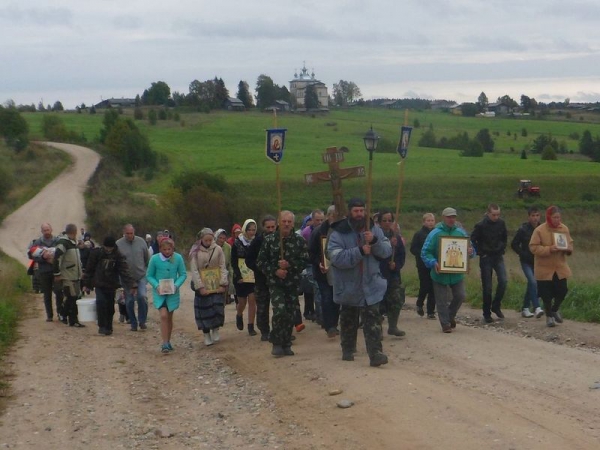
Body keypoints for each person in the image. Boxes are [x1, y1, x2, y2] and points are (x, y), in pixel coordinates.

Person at [327, 198, 392, 367]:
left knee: (373, 320)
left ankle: (375, 353)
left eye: (362, 211)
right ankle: (348, 349)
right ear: (349, 212)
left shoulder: (374, 230)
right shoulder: (338, 233)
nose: (359, 214)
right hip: (349, 285)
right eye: (356, 211)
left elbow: (386, 252)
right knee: (348, 319)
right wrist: (360, 251)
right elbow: (336, 258)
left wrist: (375, 242)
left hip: (371, 284)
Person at [256, 211, 308, 357]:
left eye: (289, 222)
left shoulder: (299, 241)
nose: (286, 224)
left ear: (293, 224)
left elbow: (304, 261)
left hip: (292, 284)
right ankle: (277, 342)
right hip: (275, 283)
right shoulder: (270, 240)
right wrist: (275, 270)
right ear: (279, 222)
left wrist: (290, 264)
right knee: (280, 311)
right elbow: (260, 261)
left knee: (290, 313)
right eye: (284, 221)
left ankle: (286, 343)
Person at [421, 207, 475, 333]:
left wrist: (470, 252)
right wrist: (433, 262)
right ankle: (445, 324)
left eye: (453, 217)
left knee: (460, 295)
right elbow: (425, 252)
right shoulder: (434, 233)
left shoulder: (461, 233)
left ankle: (450, 315)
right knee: (441, 299)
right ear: (443, 218)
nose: (451, 219)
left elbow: (471, 250)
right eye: (449, 217)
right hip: (440, 272)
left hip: (457, 273)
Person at [529, 206, 573, 328]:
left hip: (560, 266)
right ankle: (549, 317)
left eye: (559, 217)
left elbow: (570, 243)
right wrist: (548, 249)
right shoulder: (540, 230)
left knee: (562, 290)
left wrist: (569, 249)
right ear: (549, 217)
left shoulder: (564, 229)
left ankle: (554, 310)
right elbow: (533, 247)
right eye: (554, 217)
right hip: (544, 267)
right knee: (546, 293)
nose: (557, 220)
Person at [83, 236, 135, 335]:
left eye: (110, 248)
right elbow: (89, 269)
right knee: (101, 303)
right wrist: (86, 284)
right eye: (107, 247)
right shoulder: (96, 253)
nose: (108, 250)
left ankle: (109, 326)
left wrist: (131, 284)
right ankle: (102, 326)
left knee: (110, 306)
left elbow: (124, 271)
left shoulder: (118, 255)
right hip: (99, 283)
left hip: (111, 284)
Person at [147, 238, 187, 353]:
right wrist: (156, 286)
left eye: (169, 249)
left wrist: (176, 285)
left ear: (173, 249)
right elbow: (149, 275)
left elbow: (183, 274)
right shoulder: (154, 259)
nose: (167, 252)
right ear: (160, 249)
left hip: (172, 293)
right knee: (163, 316)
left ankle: (168, 340)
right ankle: (164, 343)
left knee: (169, 317)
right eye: (164, 249)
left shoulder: (178, 258)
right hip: (160, 292)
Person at [190, 228, 229, 346]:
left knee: (217, 306)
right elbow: (194, 270)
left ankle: (216, 328)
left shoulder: (218, 249)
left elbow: (223, 266)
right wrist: (200, 287)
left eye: (210, 240)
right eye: (206, 240)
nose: (208, 242)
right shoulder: (195, 251)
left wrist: (223, 283)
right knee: (203, 309)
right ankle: (206, 334)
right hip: (202, 283)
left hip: (215, 283)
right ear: (201, 239)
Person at [471, 203, 508, 323]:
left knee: (503, 280)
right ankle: (486, 313)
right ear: (488, 214)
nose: (496, 217)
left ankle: (496, 305)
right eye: (494, 215)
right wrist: (480, 252)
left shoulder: (501, 224)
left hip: (498, 256)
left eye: (498, 215)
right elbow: (473, 238)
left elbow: (504, 238)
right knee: (487, 286)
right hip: (486, 257)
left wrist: (502, 248)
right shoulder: (481, 225)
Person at [308, 205, 340, 337]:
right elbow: (311, 253)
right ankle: (329, 326)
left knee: (337, 299)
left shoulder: (341, 230)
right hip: (322, 272)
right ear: (329, 216)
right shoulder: (318, 232)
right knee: (326, 298)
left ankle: (334, 323)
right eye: (333, 216)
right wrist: (319, 263)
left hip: (338, 272)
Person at [245, 215, 277, 342]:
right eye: (267, 227)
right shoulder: (257, 241)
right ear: (263, 227)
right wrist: (260, 269)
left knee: (279, 307)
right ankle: (264, 330)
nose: (270, 229)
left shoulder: (280, 239)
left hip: (277, 279)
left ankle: (280, 330)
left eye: (272, 227)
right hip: (261, 280)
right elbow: (249, 260)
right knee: (263, 306)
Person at [511, 206, 544, 318]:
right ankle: (537, 307)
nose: (535, 218)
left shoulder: (542, 228)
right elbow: (514, 244)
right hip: (526, 261)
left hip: (538, 261)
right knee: (533, 281)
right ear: (529, 217)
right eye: (533, 216)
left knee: (533, 284)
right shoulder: (523, 229)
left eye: (537, 215)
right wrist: (522, 253)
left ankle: (525, 308)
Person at [116, 224, 150, 331]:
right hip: (127, 278)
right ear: (124, 233)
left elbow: (146, 258)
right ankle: (133, 322)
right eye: (127, 233)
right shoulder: (118, 244)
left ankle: (142, 321)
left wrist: (145, 271)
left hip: (141, 276)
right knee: (129, 301)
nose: (130, 235)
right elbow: (117, 263)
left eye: (131, 233)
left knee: (142, 297)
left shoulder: (141, 242)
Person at [378, 209, 407, 337]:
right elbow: (375, 252)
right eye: (384, 220)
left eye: (390, 220)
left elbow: (401, 255)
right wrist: (389, 245)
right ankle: (376, 328)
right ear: (379, 222)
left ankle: (393, 326)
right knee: (378, 302)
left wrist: (396, 265)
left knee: (396, 298)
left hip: (393, 274)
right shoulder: (376, 236)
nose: (387, 223)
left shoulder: (396, 237)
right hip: (378, 273)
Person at [28, 223, 64, 322]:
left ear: (51, 229)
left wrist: (54, 258)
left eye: (48, 229)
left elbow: (63, 254)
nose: (46, 232)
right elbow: (32, 256)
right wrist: (43, 258)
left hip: (56, 271)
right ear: (42, 231)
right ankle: (49, 315)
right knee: (47, 294)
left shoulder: (58, 241)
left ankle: (60, 313)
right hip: (44, 271)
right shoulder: (38, 242)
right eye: (44, 230)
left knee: (59, 292)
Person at [52, 223, 85, 328]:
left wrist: (81, 272)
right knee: (72, 297)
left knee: (75, 297)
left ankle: (70, 318)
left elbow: (76, 259)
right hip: (67, 275)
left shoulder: (73, 243)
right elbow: (57, 258)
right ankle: (67, 315)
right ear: (74, 232)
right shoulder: (63, 243)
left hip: (75, 275)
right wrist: (57, 273)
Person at [231, 219, 258, 336]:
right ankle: (239, 314)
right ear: (245, 230)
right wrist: (238, 276)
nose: (252, 232)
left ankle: (251, 326)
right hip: (241, 276)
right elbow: (233, 261)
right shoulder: (237, 243)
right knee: (242, 301)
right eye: (249, 230)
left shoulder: (257, 242)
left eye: (253, 230)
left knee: (253, 299)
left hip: (253, 276)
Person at [410, 213, 436, 319]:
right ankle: (419, 303)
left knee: (433, 288)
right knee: (425, 286)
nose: (430, 222)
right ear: (424, 222)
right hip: (422, 265)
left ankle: (430, 311)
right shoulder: (419, 234)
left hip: (434, 264)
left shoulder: (436, 234)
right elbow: (413, 249)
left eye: (432, 220)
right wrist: (423, 254)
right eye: (428, 220)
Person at [215, 229, 234, 304]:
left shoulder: (228, 247)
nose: (222, 240)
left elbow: (230, 264)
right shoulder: (211, 246)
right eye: (220, 238)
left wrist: (231, 278)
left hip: (224, 274)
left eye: (224, 238)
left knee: (223, 300)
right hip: (213, 273)